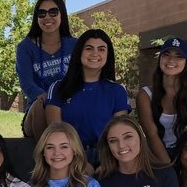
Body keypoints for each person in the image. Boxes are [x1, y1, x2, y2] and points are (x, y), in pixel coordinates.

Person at [44, 29, 131, 163]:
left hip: (107, 156)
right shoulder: (57, 88)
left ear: (108, 55)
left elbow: (119, 134)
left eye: (101, 49)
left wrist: (108, 164)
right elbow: (56, 133)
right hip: (68, 157)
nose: (95, 53)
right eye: (89, 48)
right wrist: (80, 163)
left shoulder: (117, 90)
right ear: (79, 52)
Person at [16, 0, 77, 138]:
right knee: (41, 108)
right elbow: (26, 84)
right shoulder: (25, 47)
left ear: (62, 15)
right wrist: (50, 100)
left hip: (69, 104)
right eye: (41, 13)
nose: (47, 17)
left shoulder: (75, 45)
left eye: (53, 12)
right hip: (38, 109)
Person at [136, 37, 187, 159]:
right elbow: (151, 135)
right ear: (160, 59)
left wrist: (179, 165)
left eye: (179, 56)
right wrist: (168, 168)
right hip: (156, 156)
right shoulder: (145, 95)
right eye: (166, 55)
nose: (171, 60)